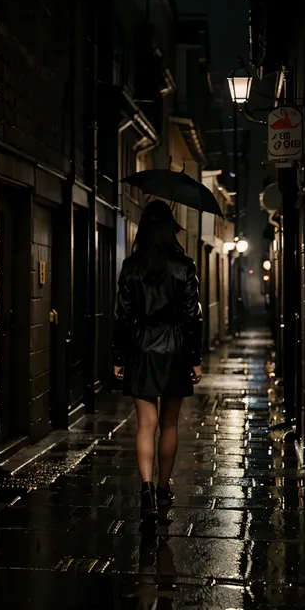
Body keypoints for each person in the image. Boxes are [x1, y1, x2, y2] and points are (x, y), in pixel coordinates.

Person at [113, 200, 203, 519]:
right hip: (176, 346)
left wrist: (119, 357)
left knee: (145, 424)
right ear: (170, 230)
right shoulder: (184, 266)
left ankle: (147, 488)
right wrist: (194, 358)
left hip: (141, 347)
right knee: (169, 424)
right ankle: (164, 488)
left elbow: (123, 315)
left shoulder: (132, 266)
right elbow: (192, 315)